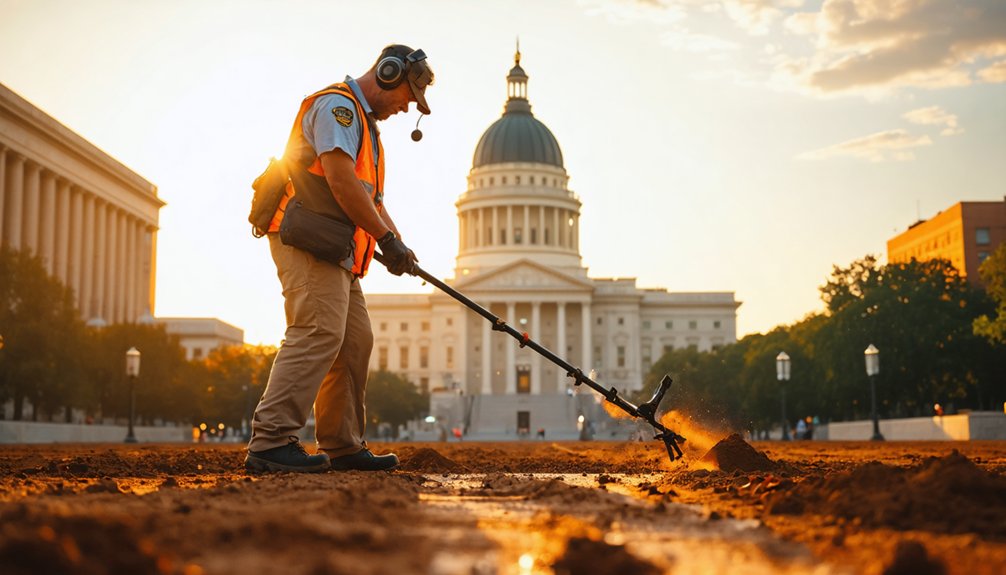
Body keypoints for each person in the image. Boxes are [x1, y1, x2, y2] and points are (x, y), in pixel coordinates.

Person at [245, 44, 435, 473]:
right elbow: (339, 179)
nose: (408, 108)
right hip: (309, 238)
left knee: (353, 342)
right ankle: (271, 440)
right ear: (388, 74)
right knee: (316, 331)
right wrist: (385, 238)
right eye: (409, 96)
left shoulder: (365, 127)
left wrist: (397, 243)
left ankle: (343, 444)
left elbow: (369, 197)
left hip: (337, 249)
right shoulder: (338, 109)